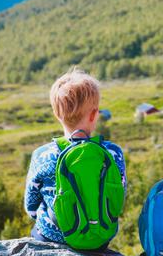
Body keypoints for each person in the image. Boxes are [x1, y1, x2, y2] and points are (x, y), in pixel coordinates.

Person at [24, 67, 126, 246]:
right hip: (99, 238)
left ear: (57, 114)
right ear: (95, 115)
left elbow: (30, 207)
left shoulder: (43, 155)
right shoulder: (113, 153)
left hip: (52, 236)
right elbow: (119, 197)